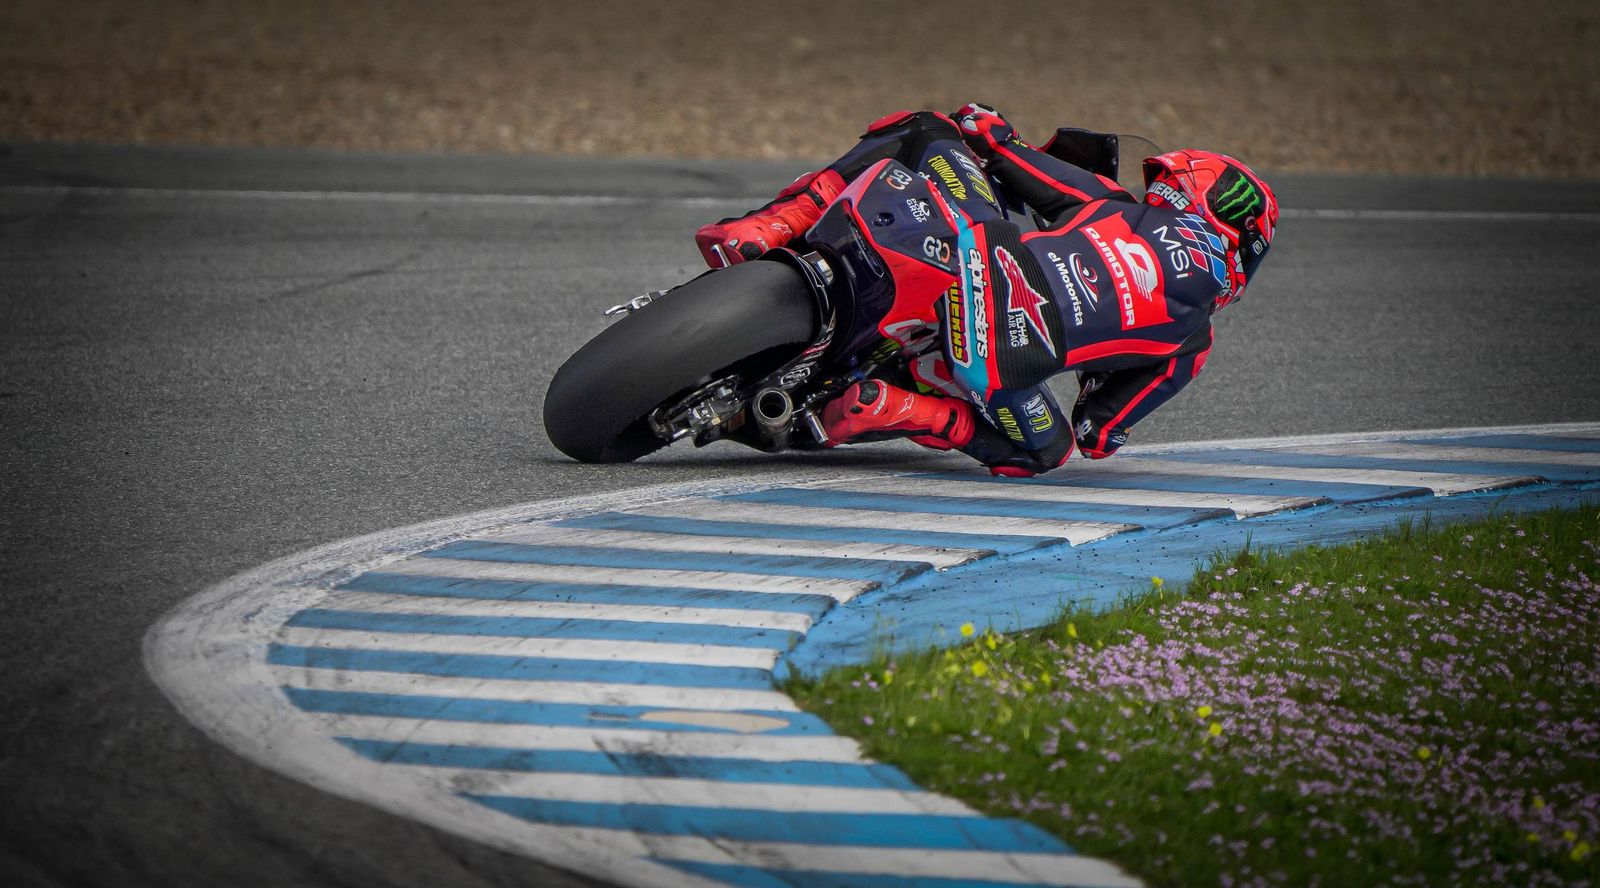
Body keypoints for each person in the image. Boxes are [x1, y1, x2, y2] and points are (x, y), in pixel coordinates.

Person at [694, 105, 1279, 476]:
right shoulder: (1194, 341)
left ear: (1187, 191)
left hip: (976, 263)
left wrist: (989, 125)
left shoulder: (1111, 204)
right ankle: (895, 407)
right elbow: (1097, 435)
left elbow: (999, 146)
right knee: (1047, 453)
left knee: (924, 129)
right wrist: (1102, 364)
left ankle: (761, 228)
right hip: (1000, 367)